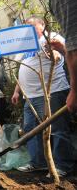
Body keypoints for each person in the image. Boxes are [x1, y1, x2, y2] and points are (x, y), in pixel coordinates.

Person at [11, 16, 75, 176]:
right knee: (30, 129)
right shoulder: (25, 45)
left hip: (51, 92)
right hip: (30, 96)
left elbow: (64, 54)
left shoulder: (52, 38)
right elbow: (24, 67)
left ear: (42, 25)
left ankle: (63, 165)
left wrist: (56, 52)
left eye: (32, 26)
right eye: (26, 27)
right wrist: (17, 90)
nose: (29, 29)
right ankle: (38, 162)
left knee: (57, 129)